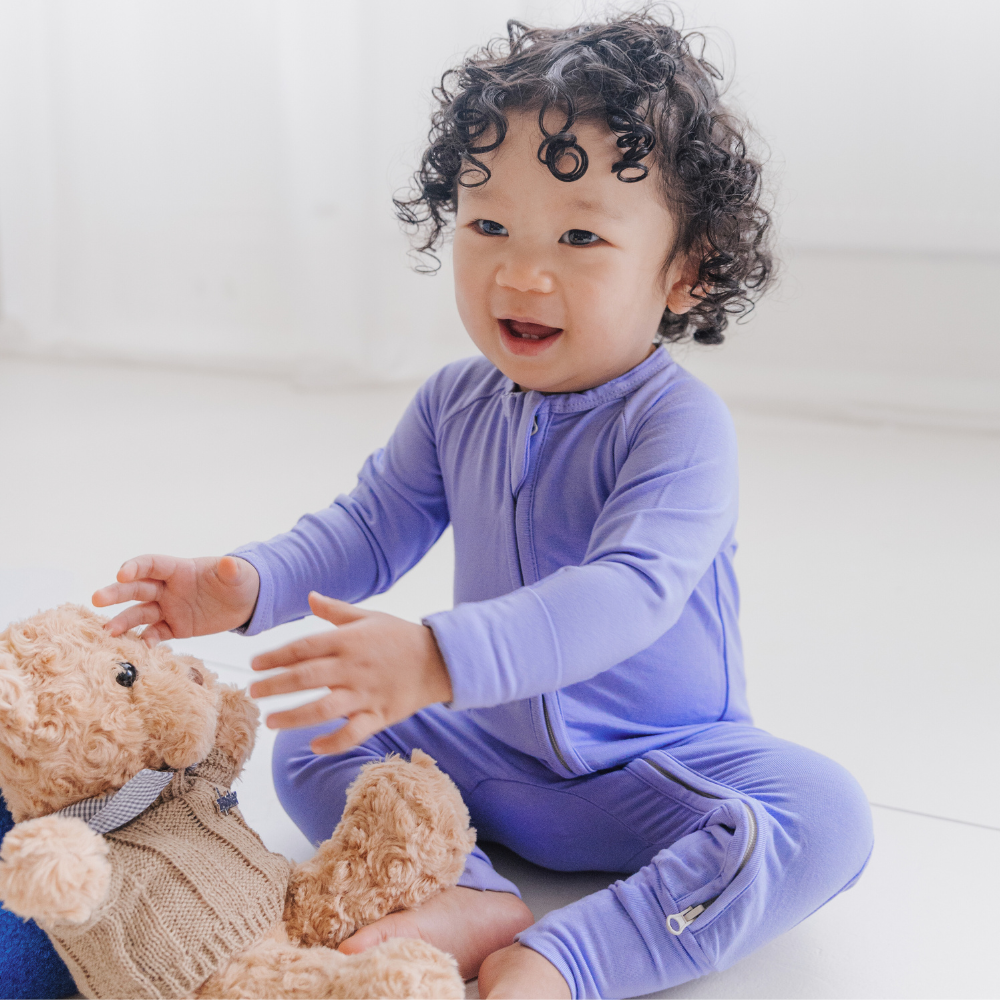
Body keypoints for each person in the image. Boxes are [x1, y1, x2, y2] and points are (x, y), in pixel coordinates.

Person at [94, 13, 873, 999]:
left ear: (687, 270)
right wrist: (248, 583)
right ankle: (468, 890)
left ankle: (570, 955)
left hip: (655, 766)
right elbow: (371, 525)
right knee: (316, 743)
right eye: (489, 225)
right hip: (488, 751)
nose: (520, 273)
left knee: (826, 815)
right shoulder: (453, 402)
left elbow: (627, 590)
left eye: (580, 236)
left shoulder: (679, 426)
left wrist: (437, 656)